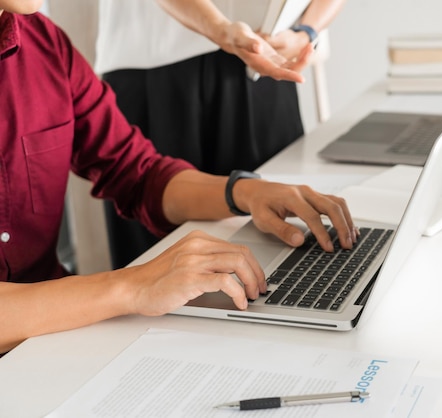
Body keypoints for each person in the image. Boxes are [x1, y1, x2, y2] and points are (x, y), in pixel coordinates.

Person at [0, 3, 357, 354]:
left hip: (54, 340)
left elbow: (135, 171)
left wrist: (244, 192)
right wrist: (134, 286)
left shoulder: (45, 45)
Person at [96, 0, 347, 269]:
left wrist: (306, 31)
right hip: (154, 60)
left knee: (291, 243)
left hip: (264, 61)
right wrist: (222, 31)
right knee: (153, 264)